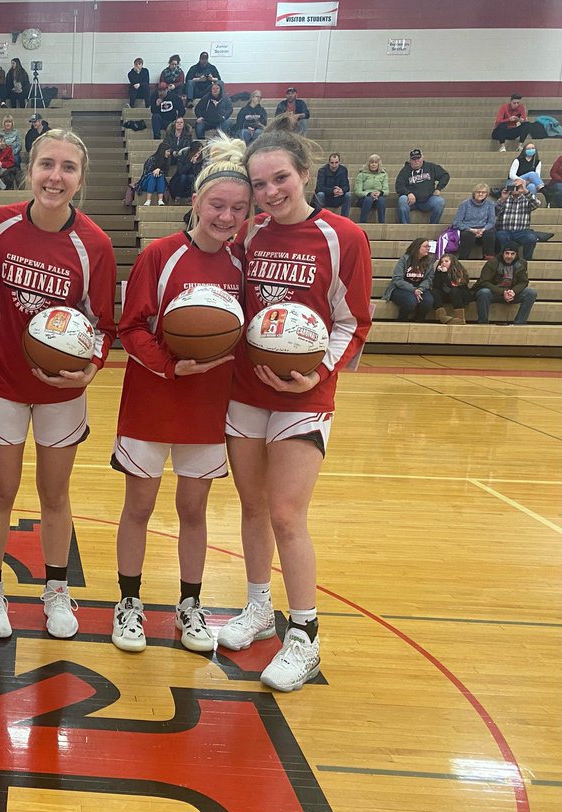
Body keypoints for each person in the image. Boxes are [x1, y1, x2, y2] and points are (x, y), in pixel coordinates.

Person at [218, 117, 372, 692]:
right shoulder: (249, 236)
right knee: (252, 507)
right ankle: (259, 609)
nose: (270, 192)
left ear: (305, 173)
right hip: (245, 389)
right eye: (259, 184)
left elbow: (353, 322)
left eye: (279, 178)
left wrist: (315, 373)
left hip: (305, 393)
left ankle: (304, 635)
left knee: (286, 513)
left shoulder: (342, 237)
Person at [111, 135, 252, 655]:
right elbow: (130, 328)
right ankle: (129, 603)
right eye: (217, 205)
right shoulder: (160, 255)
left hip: (209, 405)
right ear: (195, 202)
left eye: (239, 208)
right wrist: (173, 364)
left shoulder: (242, 264)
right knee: (139, 507)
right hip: (154, 397)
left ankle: (191, 604)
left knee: (195, 510)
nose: (226, 216)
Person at [0, 130, 116, 641]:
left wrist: (92, 366)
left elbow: (102, 324)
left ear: (80, 178)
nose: (56, 177)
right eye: (47, 165)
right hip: (2, 383)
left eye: (68, 168)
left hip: (61, 390)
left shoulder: (94, 244)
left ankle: (56, 590)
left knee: (55, 494)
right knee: (1, 490)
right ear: (29, 170)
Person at [474, 245, 536, 325]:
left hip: (511, 293)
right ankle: (483, 323)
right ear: (502, 253)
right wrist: (503, 292)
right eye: (507, 253)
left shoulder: (521, 263)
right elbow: (484, 282)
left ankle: (519, 323)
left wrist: (514, 291)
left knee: (531, 293)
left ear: (516, 254)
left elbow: (523, 281)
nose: (509, 256)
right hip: (495, 293)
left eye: (512, 254)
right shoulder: (492, 263)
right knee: (483, 292)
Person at [382, 237, 437, 322]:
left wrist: (420, 289)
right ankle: (402, 320)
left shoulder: (429, 261)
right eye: (425, 246)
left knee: (428, 301)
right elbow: (397, 279)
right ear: (417, 247)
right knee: (411, 301)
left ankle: (418, 321)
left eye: (429, 246)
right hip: (401, 288)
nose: (428, 248)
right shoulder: (405, 259)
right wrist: (413, 289)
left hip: (420, 288)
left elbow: (429, 279)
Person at [396, 148, 449, 224]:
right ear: (410, 160)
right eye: (414, 159)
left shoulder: (431, 167)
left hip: (428, 200)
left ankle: (433, 225)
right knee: (402, 200)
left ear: (422, 158)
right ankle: (405, 225)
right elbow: (399, 186)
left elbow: (445, 175)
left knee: (440, 201)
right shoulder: (405, 171)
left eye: (418, 158)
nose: (416, 161)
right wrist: (408, 193)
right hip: (411, 202)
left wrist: (438, 188)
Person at [494, 178, 543, 260]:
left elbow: (536, 204)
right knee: (500, 236)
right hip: (504, 230)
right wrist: (503, 199)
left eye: (518, 187)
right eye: (513, 187)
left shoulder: (527, 199)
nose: (516, 189)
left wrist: (525, 191)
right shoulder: (504, 199)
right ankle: (502, 260)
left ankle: (527, 260)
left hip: (522, 231)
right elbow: (495, 212)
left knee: (531, 238)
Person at [451, 184, 497, 259]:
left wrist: (483, 230)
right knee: (467, 236)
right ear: (474, 193)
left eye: (483, 192)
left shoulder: (490, 204)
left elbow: (491, 222)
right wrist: (471, 230)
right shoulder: (465, 204)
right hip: (468, 229)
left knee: (490, 234)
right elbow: (457, 222)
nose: (480, 194)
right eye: (478, 192)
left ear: (487, 194)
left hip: (483, 229)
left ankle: (488, 259)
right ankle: (463, 259)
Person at [431, 253, 471, 324]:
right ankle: (442, 316)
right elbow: (436, 285)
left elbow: (453, 285)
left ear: (452, 262)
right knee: (434, 291)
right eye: (442, 262)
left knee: (454, 290)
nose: (443, 263)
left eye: (446, 261)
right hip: (447, 295)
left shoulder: (459, 272)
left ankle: (460, 318)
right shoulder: (440, 272)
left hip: (460, 295)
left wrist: (445, 274)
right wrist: (439, 274)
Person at [314, 153, 352, 218]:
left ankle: (345, 219)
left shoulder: (343, 170)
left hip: (338, 197)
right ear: (329, 162)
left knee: (348, 195)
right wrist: (333, 190)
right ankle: (318, 217)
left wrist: (342, 190)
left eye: (336, 162)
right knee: (320, 194)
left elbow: (347, 186)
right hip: (326, 197)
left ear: (339, 162)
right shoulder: (322, 170)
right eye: (332, 163)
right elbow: (319, 188)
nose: (334, 165)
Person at [354, 154, 388, 223]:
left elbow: (386, 191)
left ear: (378, 164)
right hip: (364, 199)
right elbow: (357, 191)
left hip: (378, 198)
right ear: (368, 164)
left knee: (381, 200)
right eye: (372, 162)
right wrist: (369, 194)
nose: (373, 165)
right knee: (369, 199)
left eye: (375, 163)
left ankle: (382, 223)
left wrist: (379, 193)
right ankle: (362, 222)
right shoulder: (361, 174)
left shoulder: (383, 174)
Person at [136, 141, 169, 206]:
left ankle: (160, 200)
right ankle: (148, 200)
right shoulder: (152, 159)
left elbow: (166, 172)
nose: (169, 153)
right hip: (146, 182)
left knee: (161, 175)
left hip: (159, 183)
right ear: (163, 151)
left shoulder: (166, 160)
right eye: (167, 151)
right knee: (152, 176)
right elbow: (145, 173)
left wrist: (159, 170)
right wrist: (154, 171)